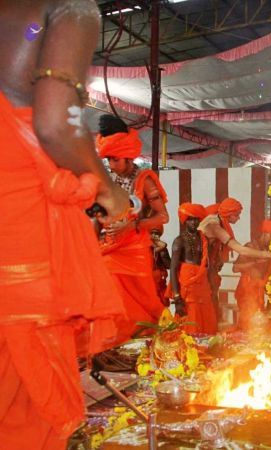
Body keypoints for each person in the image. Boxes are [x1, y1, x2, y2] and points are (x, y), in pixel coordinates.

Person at [0, 1, 129, 447]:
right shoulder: (67, 7)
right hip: (17, 237)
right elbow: (56, 124)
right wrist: (111, 193)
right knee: (25, 410)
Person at [96, 114, 169, 341]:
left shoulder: (145, 180)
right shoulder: (109, 180)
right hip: (108, 248)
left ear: (128, 157)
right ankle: (116, 344)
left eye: (115, 160)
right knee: (108, 295)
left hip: (135, 251)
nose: (111, 165)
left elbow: (163, 217)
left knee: (144, 302)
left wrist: (131, 225)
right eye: (108, 160)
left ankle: (148, 341)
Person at [199, 198, 271, 314]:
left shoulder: (219, 221)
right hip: (199, 266)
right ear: (229, 214)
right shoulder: (214, 225)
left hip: (210, 266)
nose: (238, 218)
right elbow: (241, 250)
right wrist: (267, 255)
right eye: (237, 215)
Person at [170, 203, 218, 334]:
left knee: (207, 314)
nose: (194, 222)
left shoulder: (204, 239)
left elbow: (208, 264)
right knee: (190, 315)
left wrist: (212, 286)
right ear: (185, 221)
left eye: (196, 219)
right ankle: (190, 344)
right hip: (188, 285)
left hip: (202, 284)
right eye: (190, 219)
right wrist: (177, 297)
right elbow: (173, 269)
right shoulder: (179, 241)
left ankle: (207, 343)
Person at [233, 220, 271, 331]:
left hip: (259, 291)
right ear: (265, 234)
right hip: (246, 290)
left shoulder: (268, 249)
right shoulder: (250, 246)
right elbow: (235, 268)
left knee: (257, 324)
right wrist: (255, 263)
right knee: (247, 324)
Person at [151, 229, 172, 306]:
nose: (154, 235)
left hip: (160, 279)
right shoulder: (146, 247)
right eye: (152, 233)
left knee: (163, 302)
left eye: (156, 234)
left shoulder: (162, 250)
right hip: (150, 280)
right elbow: (163, 244)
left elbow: (168, 265)